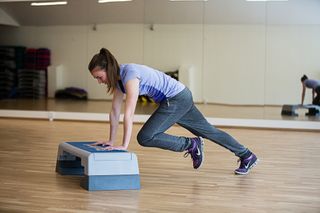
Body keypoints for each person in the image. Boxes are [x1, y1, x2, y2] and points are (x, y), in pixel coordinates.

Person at [88, 48, 258, 175]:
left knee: (145, 137)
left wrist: (124, 145)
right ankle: (247, 155)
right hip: (180, 96)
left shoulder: (129, 75)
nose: (98, 81)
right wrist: (111, 140)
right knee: (209, 131)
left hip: (176, 99)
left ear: (108, 69)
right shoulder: (118, 81)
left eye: (99, 77)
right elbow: (115, 112)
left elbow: (129, 114)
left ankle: (191, 144)